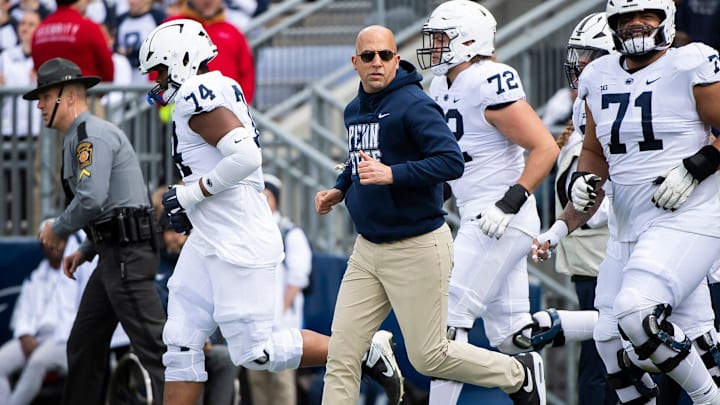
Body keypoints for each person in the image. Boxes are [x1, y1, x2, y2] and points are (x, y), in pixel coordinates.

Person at [137, 19, 404, 405]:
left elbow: (245, 157)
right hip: (211, 236)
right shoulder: (210, 88)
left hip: (237, 237)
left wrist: (191, 195)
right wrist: (191, 205)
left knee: (255, 352)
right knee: (180, 342)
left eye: (160, 70)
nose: (157, 80)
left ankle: (363, 350)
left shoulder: (199, 90)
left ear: (181, 59)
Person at [316, 23, 546, 405]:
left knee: (429, 355)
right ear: (355, 63)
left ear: (396, 59)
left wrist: (392, 174)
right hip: (367, 248)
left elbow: (450, 161)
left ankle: (516, 373)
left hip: (416, 245)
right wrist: (341, 187)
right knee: (341, 355)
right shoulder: (353, 109)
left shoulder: (414, 103)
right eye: (368, 56)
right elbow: (360, 159)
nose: (377, 63)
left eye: (385, 55)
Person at [570, 0, 720, 402]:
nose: (636, 24)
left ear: (665, 19)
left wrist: (701, 163)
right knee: (608, 340)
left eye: (645, 15)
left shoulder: (691, 63)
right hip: (630, 224)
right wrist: (582, 181)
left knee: (638, 315)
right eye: (625, 18)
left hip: (689, 216)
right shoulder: (599, 75)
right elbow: (595, 152)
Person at [24, 57, 166, 405]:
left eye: (45, 96)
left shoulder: (90, 135)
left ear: (68, 96)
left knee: (158, 352)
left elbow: (91, 198)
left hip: (126, 256)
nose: (40, 105)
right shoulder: (81, 136)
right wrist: (86, 249)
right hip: (113, 254)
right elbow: (110, 206)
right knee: (84, 343)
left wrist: (57, 229)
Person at [531, 12, 619, 405]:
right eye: (579, 55)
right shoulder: (591, 109)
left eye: (591, 55)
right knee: (606, 357)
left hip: (611, 245)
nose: (580, 64)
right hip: (598, 249)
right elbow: (591, 195)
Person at [0, 223, 95, 405]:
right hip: (33, 336)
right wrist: (25, 334)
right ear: (42, 244)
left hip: (63, 338)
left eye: (60, 240)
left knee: (38, 362)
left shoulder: (79, 272)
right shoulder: (35, 277)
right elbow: (22, 313)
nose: (55, 245)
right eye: (49, 240)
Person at [246, 173, 313, 405]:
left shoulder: (290, 232)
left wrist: (281, 312)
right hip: (253, 323)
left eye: (267, 196)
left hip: (281, 325)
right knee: (257, 380)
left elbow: (298, 278)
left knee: (281, 381)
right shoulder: (248, 231)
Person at [164, 0, 255, 103]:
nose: (209, 1)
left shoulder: (233, 32)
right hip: (182, 110)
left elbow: (246, 73)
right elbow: (155, 66)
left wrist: (242, 105)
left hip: (226, 111)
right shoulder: (172, 26)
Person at [31, 0, 114, 83]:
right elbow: (107, 71)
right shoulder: (88, 28)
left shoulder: (39, 31)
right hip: (84, 92)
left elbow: (38, 68)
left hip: (49, 92)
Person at [0, 10, 41, 137]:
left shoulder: (45, 57)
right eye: (22, 24)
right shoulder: (5, 56)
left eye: (31, 24)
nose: (25, 28)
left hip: (36, 128)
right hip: (9, 128)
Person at [115, 0, 166, 83]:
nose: (131, 2)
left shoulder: (158, 17)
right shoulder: (121, 19)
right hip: (126, 77)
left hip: (150, 78)